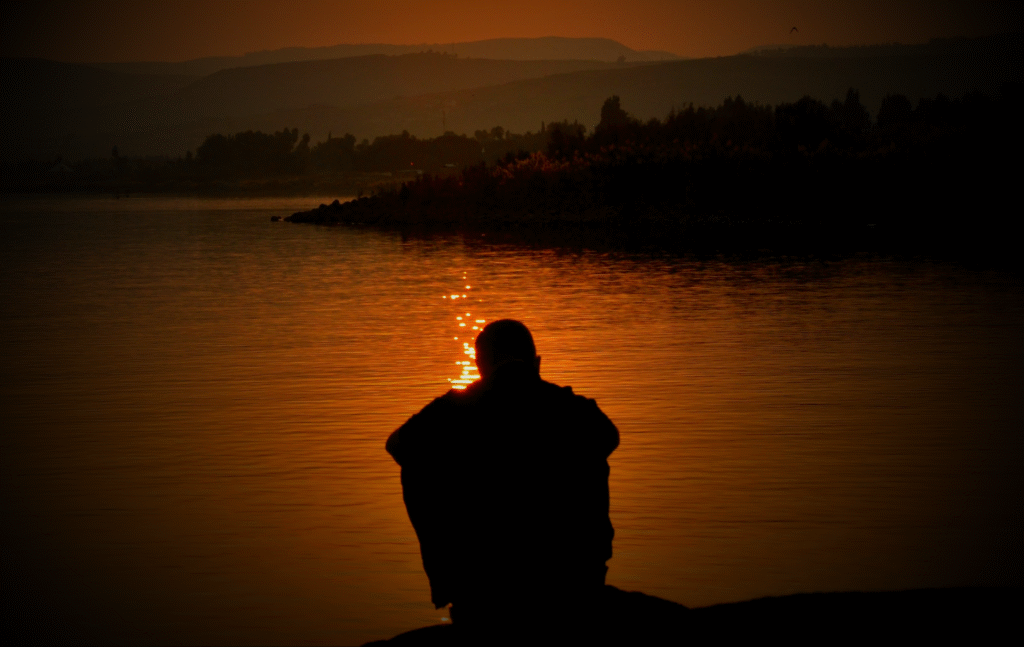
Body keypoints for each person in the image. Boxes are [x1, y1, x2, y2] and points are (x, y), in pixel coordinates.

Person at [386, 319, 619, 639]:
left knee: (415, 465)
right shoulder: (572, 408)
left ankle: (456, 583)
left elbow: (396, 445)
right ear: (537, 363)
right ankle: (583, 572)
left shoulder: (456, 407)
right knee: (591, 453)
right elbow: (609, 438)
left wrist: (460, 464)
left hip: (485, 579)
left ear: (480, 367)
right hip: (572, 575)